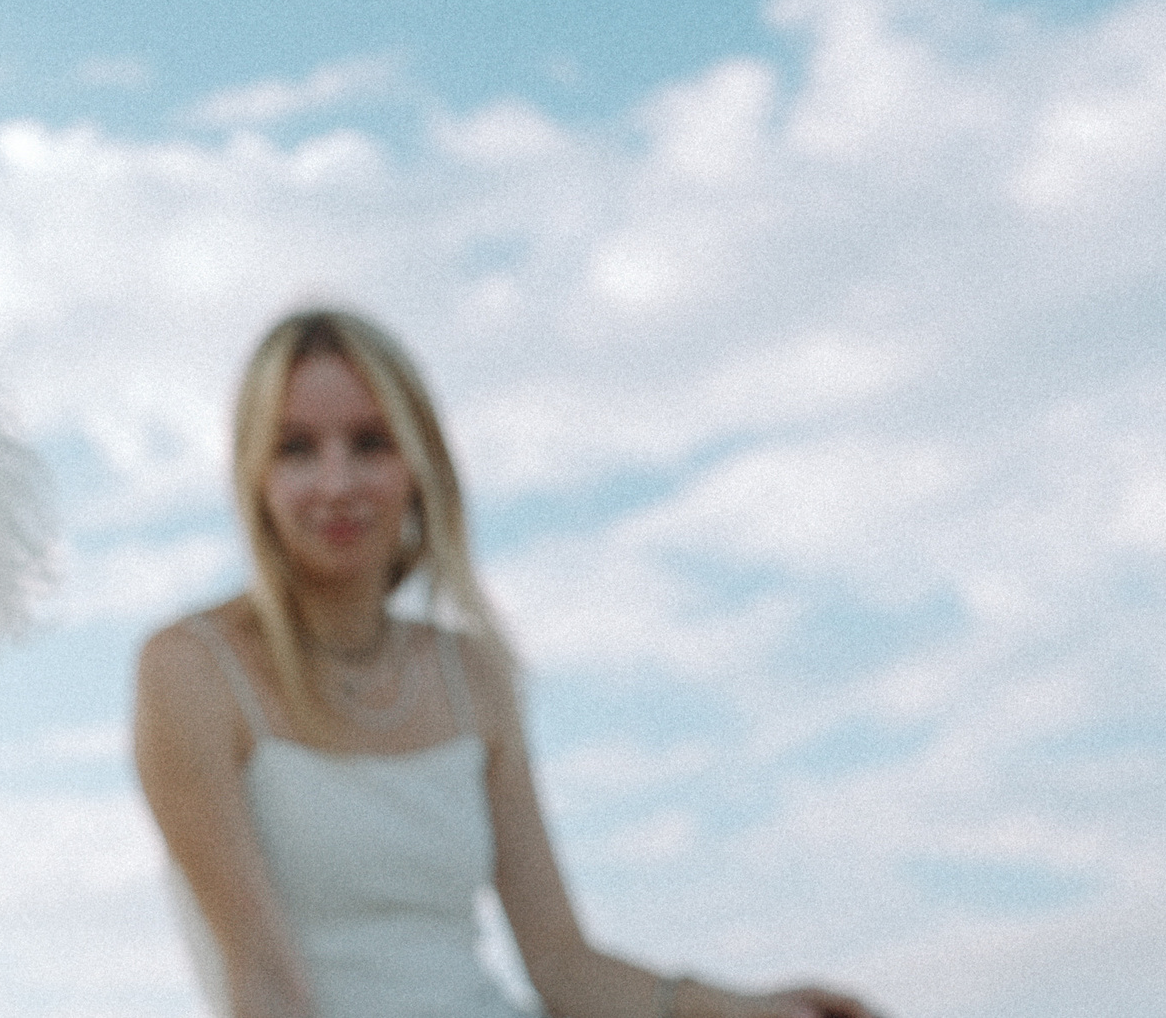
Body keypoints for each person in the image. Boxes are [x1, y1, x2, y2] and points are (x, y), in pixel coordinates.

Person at [134, 309, 884, 1018]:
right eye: (296, 447)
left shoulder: (474, 671)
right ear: (255, 474)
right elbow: (264, 979)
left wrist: (746, 1007)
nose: (337, 482)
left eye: (371, 442)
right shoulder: (191, 670)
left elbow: (560, 963)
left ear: (419, 463)